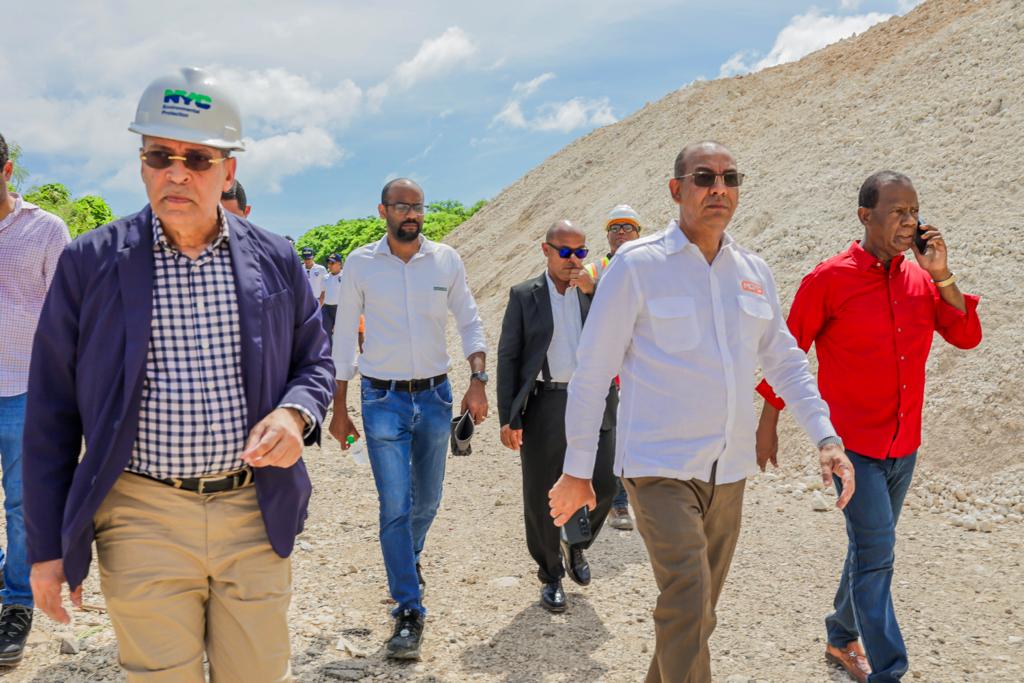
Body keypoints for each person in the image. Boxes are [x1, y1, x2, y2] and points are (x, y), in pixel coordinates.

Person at [23, 67, 335, 682]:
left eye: (197, 158)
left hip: (253, 507)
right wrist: (46, 549)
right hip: (140, 513)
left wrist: (294, 413)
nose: (177, 172)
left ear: (228, 171)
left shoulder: (276, 257)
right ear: (142, 164)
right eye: (159, 155)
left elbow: (315, 359)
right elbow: (52, 411)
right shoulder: (88, 263)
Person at [548, 141, 856, 683]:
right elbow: (592, 372)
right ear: (676, 189)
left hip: (729, 472)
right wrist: (577, 470)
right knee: (689, 601)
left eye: (730, 178)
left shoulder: (753, 271)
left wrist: (826, 438)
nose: (719, 188)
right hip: (658, 467)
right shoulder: (637, 266)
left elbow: (786, 363)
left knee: (694, 614)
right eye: (704, 177)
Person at [755, 171, 982, 683]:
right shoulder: (828, 279)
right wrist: (768, 421)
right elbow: (789, 352)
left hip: (905, 445)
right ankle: (889, 670)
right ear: (865, 216)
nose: (910, 222)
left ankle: (840, 635)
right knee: (877, 554)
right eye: (898, 211)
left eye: (914, 211)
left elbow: (967, 336)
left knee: (870, 546)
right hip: (851, 448)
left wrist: (943, 274)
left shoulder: (922, 280)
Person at [328, 177, 488, 660]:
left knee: (429, 499)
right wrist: (339, 407)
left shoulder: (446, 260)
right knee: (395, 504)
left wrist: (478, 378)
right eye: (401, 206)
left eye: (417, 206)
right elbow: (342, 337)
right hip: (382, 400)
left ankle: (407, 556)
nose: (411, 214)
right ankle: (408, 609)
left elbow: (469, 319)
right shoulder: (360, 264)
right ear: (383, 211)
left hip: (436, 396)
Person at [497, 220, 618, 613]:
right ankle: (551, 575)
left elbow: (622, 330)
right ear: (546, 250)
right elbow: (509, 356)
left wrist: (594, 292)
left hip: (596, 400)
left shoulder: (596, 291)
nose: (574, 260)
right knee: (541, 493)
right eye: (565, 252)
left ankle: (576, 542)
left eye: (581, 252)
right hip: (546, 402)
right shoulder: (524, 295)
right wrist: (508, 416)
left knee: (605, 480)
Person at [0, 132, 71, 666]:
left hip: (27, 387)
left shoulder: (45, 229)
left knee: (23, 503)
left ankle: (17, 602)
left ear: (6, 172)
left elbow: (67, 316)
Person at [576, 203, 644, 532]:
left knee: (632, 438)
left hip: (641, 368)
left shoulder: (650, 266)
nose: (620, 232)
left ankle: (628, 500)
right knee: (607, 437)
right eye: (614, 227)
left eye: (627, 226)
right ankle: (612, 501)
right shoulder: (597, 268)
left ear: (638, 233)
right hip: (607, 368)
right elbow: (581, 287)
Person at [322, 253, 343, 345]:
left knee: (340, 332)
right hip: (326, 308)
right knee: (325, 331)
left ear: (339, 264)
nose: (329, 265)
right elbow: (323, 294)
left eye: (332, 263)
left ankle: (340, 351)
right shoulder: (325, 277)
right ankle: (329, 351)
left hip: (340, 308)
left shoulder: (346, 276)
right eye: (329, 263)